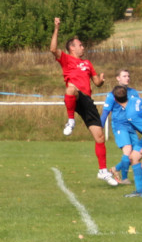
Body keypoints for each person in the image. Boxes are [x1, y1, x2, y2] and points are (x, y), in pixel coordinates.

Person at [49, 17, 116, 186]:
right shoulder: (65, 58)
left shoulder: (87, 63)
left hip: (87, 101)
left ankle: (102, 171)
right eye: (80, 45)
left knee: (99, 136)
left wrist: (101, 80)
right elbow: (53, 49)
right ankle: (70, 120)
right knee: (71, 89)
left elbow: (96, 82)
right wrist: (56, 28)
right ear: (72, 47)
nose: (83, 47)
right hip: (75, 96)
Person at [105, 82, 142, 198]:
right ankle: (139, 191)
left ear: (115, 100)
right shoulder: (135, 99)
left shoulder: (130, 114)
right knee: (133, 157)